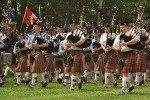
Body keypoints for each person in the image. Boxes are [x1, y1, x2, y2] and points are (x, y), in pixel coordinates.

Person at [113, 21, 139, 94]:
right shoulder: (118, 36)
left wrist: (126, 43)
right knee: (121, 72)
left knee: (125, 71)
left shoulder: (132, 34)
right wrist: (116, 48)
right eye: (120, 27)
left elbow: (136, 40)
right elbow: (113, 46)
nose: (121, 29)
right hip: (121, 55)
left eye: (123, 27)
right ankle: (130, 86)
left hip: (130, 54)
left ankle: (123, 90)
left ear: (128, 27)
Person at [25, 22, 48, 88]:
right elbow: (26, 44)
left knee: (34, 68)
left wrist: (39, 45)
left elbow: (47, 44)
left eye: (35, 26)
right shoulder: (30, 36)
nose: (33, 28)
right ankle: (43, 82)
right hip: (32, 53)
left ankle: (32, 84)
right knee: (36, 69)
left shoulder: (42, 35)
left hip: (38, 52)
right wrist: (29, 46)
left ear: (38, 27)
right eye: (33, 26)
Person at [63, 20, 85, 90]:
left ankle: (72, 86)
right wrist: (65, 46)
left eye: (72, 25)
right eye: (70, 25)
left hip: (77, 52)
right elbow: (64, 43)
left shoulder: (80, 33)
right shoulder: (69, 34)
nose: (70, 27)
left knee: (73, 70)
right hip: (70, 52)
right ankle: (79, 81)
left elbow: (82, 41)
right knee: (69, 70)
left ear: (76, 26)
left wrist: (72, 44)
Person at [100, 23, 117, 88]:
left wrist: (110, 48)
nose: (106, 29)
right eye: (105, 28)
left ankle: (106, 84)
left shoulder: (114, 35)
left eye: (107, 28)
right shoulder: (103, 35)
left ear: (110, 28)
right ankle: (114, 82)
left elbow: (115, 44)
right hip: (105, 52)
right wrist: (104, 49)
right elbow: (101, 44)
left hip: (112, 52)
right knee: (107, 69)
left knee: (107, 68)